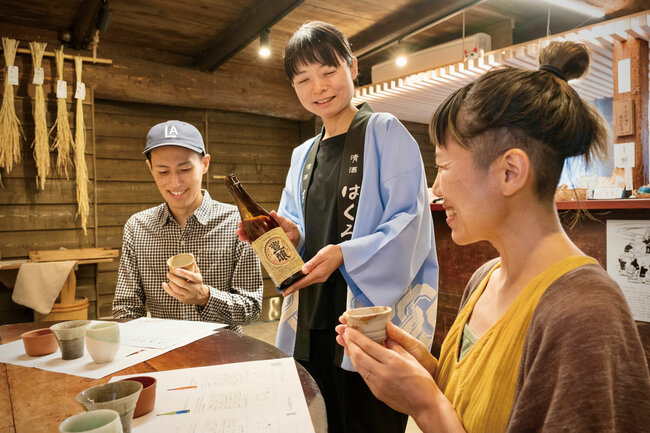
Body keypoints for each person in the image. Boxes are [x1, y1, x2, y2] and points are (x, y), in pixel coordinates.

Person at [336, 40, 650, 432]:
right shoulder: (484, 278)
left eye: (444, 166)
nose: (436, 187)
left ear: (509, 172)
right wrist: (427, 372)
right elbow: (474, 404)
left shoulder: (585, 313)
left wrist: (427, 405)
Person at [236, 21, 438, 433]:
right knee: (317, 419)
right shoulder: (301, 155)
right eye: (303, 79)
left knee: (370, 419)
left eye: (328, 71)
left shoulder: (384, 132)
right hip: (311, 316)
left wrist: (345, 253)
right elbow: (298, 233)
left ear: (352, 66)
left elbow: (410, 221)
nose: (318, 88)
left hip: (364, 314)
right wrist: (288, 236)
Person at [113, 120, 263, 333]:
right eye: (163, 172)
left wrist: (204, 297)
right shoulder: (137, 227)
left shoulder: (236, 224)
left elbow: (252, 307)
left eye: (184, 169)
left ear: (205, 164)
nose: (175, 183)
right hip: (162, 355)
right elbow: (126, 308)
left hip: (223, 354)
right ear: (150, 168)